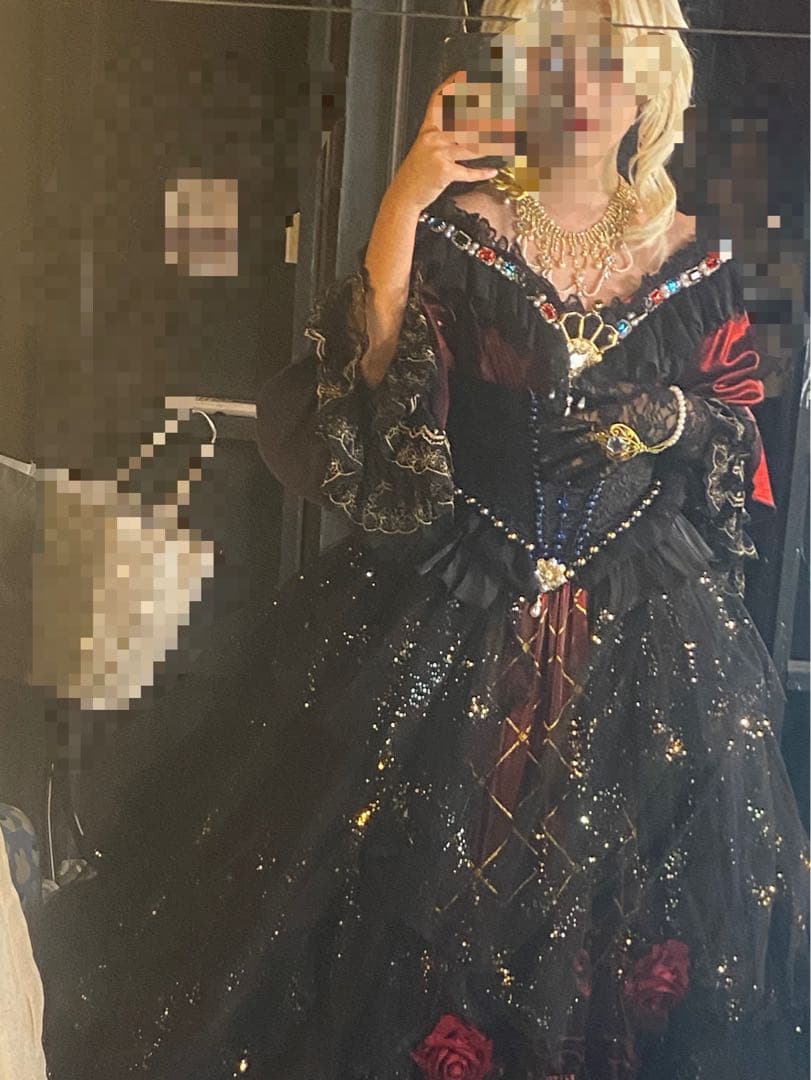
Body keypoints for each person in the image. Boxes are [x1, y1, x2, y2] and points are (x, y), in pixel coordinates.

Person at [37, 1, 809, 1078]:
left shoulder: (699, 260)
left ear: (649, 83)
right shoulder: (458, 232)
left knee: (610, 891)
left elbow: (737, 436)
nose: (577, 91)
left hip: (642, 627)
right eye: (549, 62)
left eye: (605, 63)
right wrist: (403, 201)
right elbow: (363, 399)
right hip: (456, 598)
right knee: (418, 887)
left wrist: (666, 417)